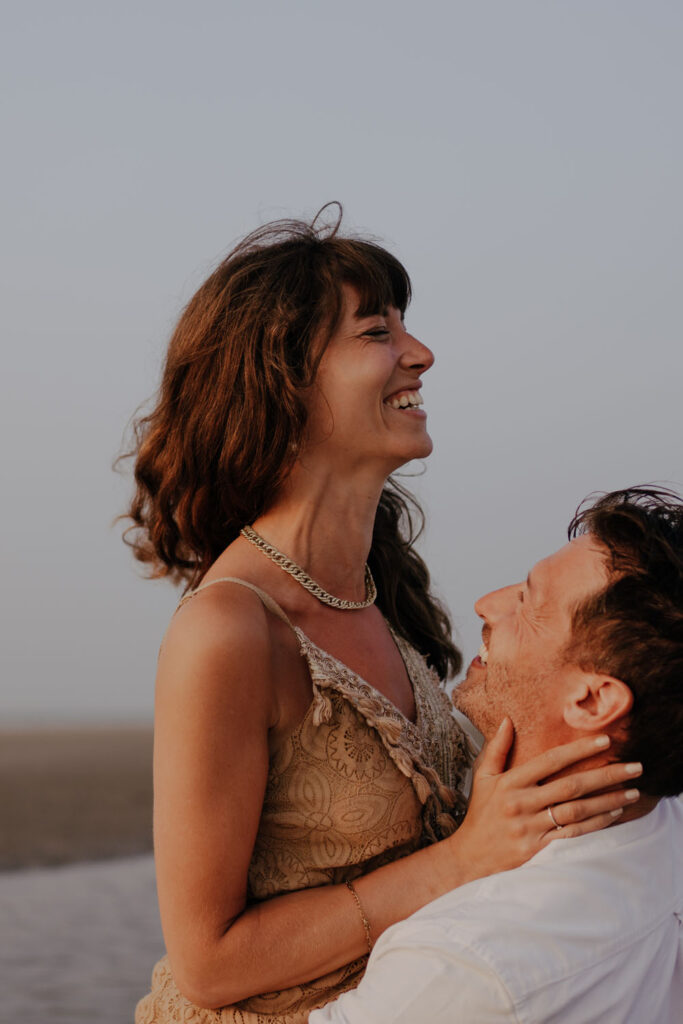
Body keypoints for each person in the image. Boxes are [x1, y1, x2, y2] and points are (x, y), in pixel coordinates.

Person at [124, 208, 638, 1024]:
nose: (420, 354)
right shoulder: (228, 629)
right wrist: (460, 861)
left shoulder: (377, 588)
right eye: (375, 332)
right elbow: (210, 963)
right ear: (284, 379)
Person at [313, 486, 683, 1024]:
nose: (487, 603)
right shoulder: (664, 825)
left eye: (529, 602)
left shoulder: (465, 964)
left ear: (593, 700)